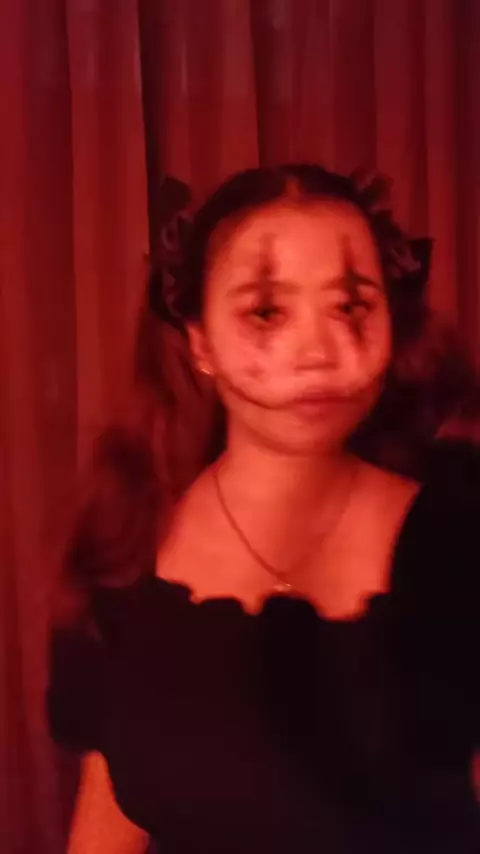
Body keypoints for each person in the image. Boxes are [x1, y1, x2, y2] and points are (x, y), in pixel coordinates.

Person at [48, 165, 480, 854]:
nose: (317, 352)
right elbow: (104, 828)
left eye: (350, 306)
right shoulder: (125, 553)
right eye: (267, 312)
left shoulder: (458, 537)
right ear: (200, 342)